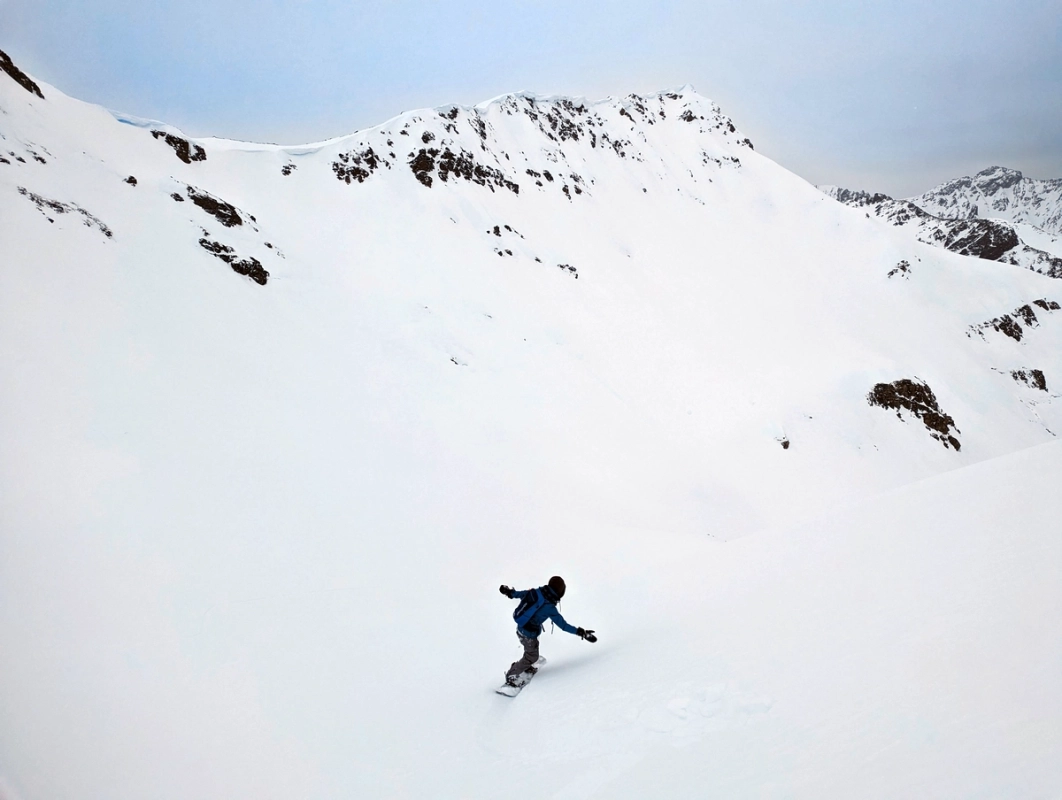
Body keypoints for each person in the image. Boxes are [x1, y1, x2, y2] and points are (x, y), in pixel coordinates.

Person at [499, 575, 597, 686]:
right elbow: (563, 625)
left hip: (522, 629)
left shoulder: (537, 592)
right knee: (532, 656)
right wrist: (581, 632)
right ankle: (512, 675)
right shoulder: (550, 608)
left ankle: (524, 665)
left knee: (531, 651)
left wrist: (509, 592)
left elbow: (519, 594)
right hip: (528, 634)